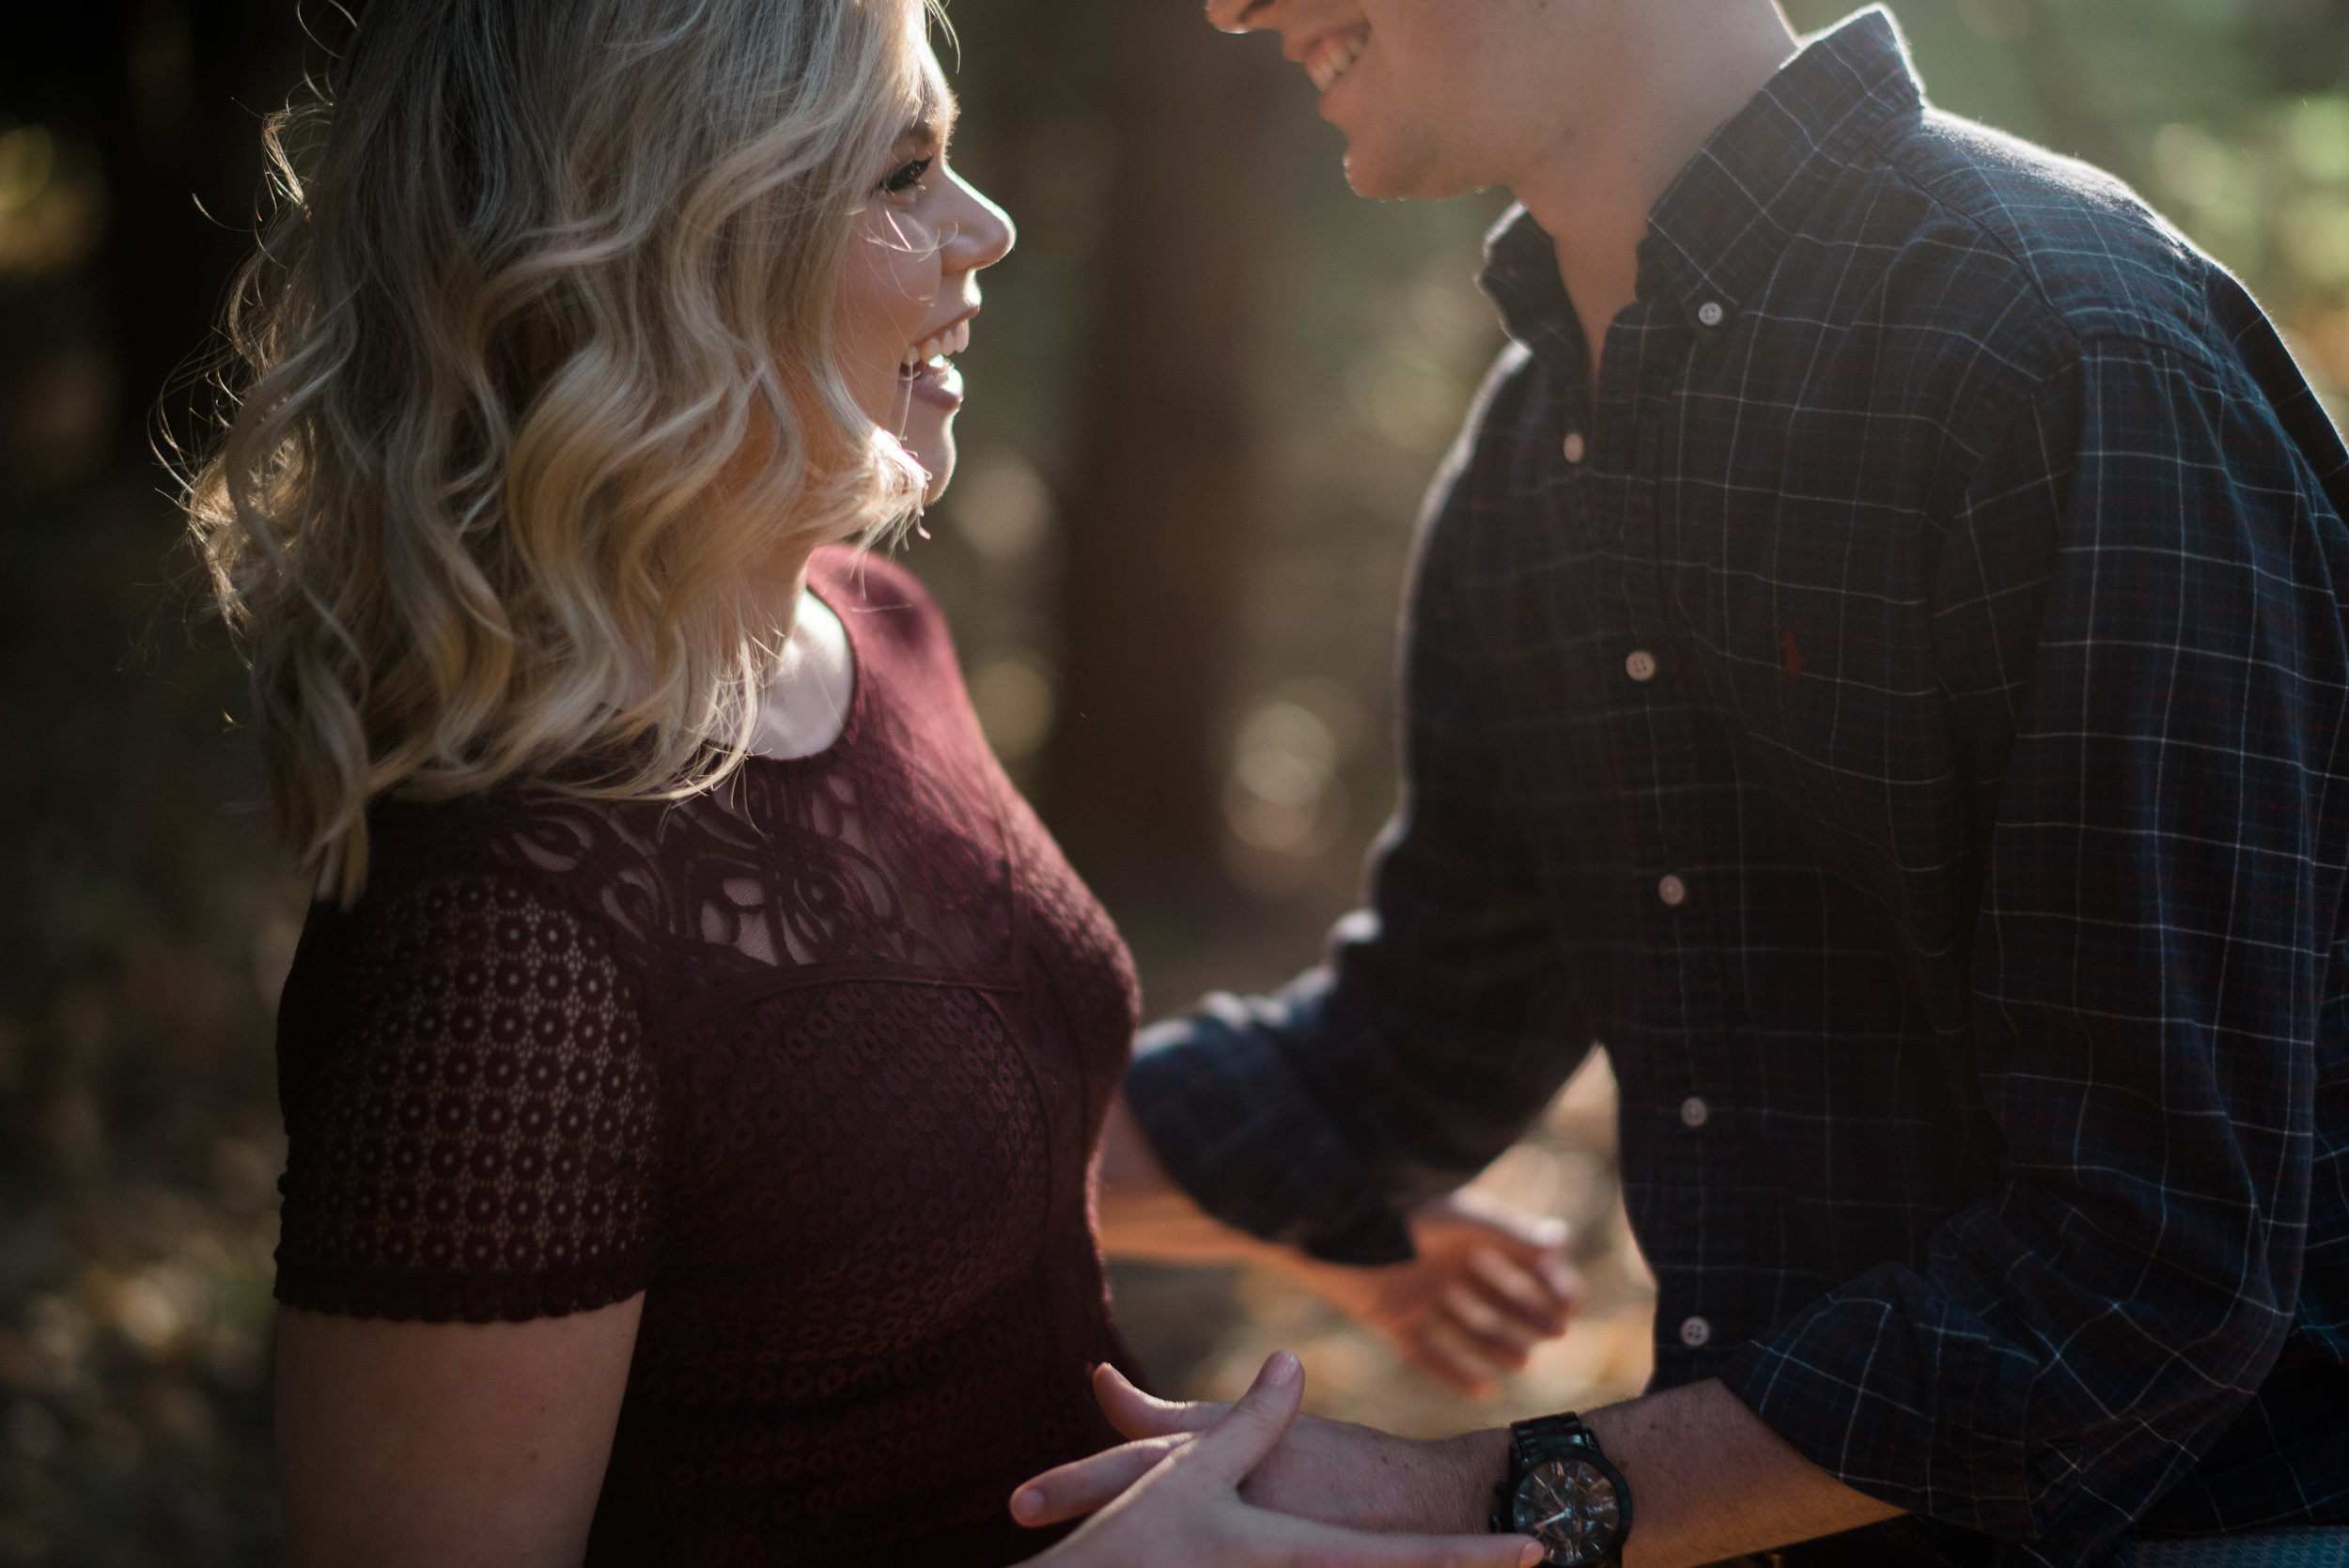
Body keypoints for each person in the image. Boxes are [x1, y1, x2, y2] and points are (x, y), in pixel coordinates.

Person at [184, 0, 1565, 1561]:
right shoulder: (499, 955)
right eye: (904, 173)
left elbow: (909, 1151)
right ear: (671, 249)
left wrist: (1321, 1222)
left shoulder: (871, 625)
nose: (988, 227)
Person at [1036, 1, 2349, 1565]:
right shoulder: (1534, 458)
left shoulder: (2059, 350)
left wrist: (1469, 1496)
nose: (1230, 4)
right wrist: (874, 1148)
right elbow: (1407, 1053)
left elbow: (2153, 1264)